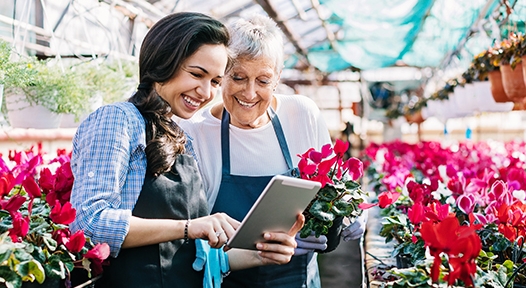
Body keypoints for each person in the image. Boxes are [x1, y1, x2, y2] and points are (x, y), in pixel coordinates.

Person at [69, 12, 303, 288]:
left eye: (215, 81)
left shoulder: (180, 137)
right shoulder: (118, 120)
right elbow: (89, 224)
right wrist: (189, 227)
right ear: (163, 63)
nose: (205, 92)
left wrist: (263, 253)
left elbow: (198, 260)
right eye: (196, 74)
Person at [180, 14, 366, 288]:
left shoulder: (302, 114)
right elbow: (188, 238)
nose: (250, 92)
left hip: (300, 280)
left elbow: (333, 188)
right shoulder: (196, 133)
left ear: (278, 78)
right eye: (239, 77)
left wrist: (347, 215)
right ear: (221, 76)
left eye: (263, 80)